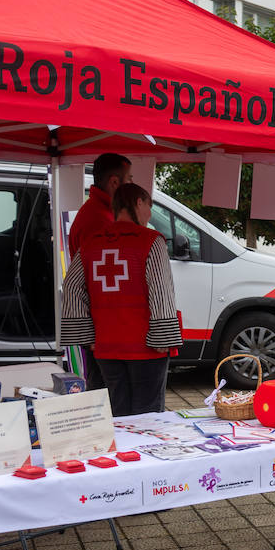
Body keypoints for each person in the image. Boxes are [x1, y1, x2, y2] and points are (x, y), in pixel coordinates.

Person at [61, 183, 182, 416]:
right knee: (148, 416)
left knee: (117, 414)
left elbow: (72, 286)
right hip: (145, 347)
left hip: (106, 347)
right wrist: (163, 338)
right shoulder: (151, 240)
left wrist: (87, 337)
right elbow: (161, 292)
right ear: (138, 202)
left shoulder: (91, 242)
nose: (149, 214)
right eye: (149, 206)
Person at [68, 153, 132, 391]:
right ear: (115, 182)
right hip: (102, 324)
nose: (131, 184)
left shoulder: (99, 212)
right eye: (130, 179)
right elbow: (96, 280)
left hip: (102, 323)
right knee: (107, 390)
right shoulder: (99, 220)